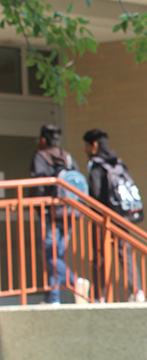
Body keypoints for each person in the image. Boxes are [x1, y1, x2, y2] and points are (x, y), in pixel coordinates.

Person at [84, 129, 143, 302]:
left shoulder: (95, 164)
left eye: (87, 146)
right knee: (125, 253)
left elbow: (95, 192)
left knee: (100, 255)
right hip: (122, 215)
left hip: (103, 217)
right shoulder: (118, 163)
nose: (85, 149)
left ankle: (98, 296)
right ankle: (137, 291)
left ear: (94, 145)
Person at [29, 124, 81, 304]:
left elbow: (38, 185)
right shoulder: (68, 158)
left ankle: (76, 282)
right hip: (69, 213)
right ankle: (53, 297)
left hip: (49, 213)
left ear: (43, 140)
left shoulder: (40, 156)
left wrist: (35, 207)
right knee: (55, 256)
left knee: (50, 257)